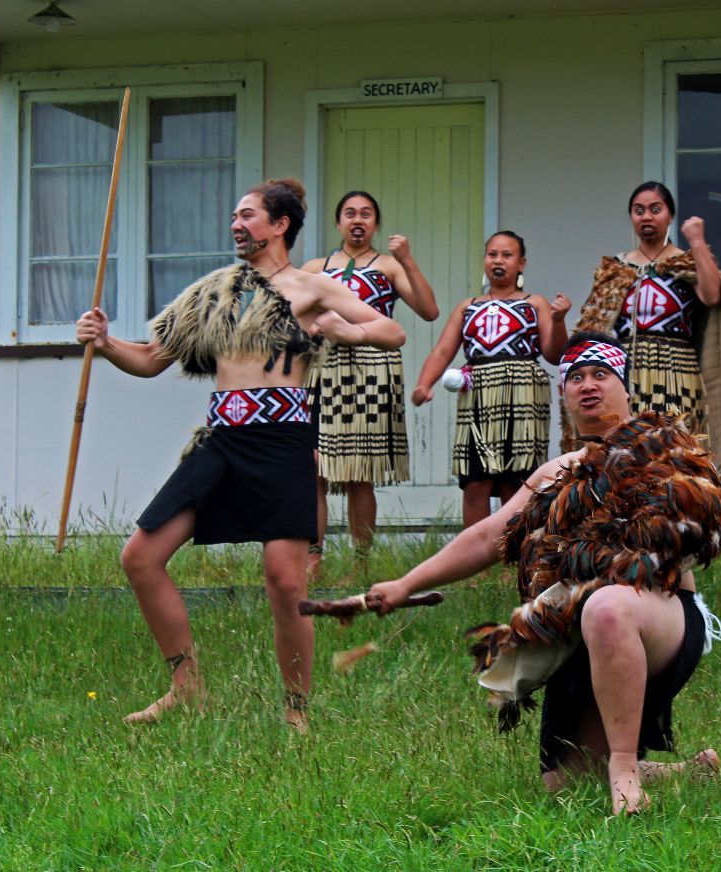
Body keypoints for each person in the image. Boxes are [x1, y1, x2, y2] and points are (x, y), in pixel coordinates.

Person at [75, 178, 406, 731]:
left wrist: (337, 328)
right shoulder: (216, 292)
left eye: (248, 215)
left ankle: (296, 711)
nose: (237, 223)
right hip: (222, 441)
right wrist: (106, 342)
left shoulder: (311, 286)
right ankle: (187, 686)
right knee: (140, 556)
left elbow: (391, 331)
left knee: (285, 582)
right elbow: (152, 358)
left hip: (283, 443)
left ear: (280, 225)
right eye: (234, 215)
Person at [368, 333, 721, 815]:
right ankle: (681, 771)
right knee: (563, 782)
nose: (587, 385)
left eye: (600, 375)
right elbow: (487, 537)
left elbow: (701, 533)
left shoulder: (663, 450)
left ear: (625, 388)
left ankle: (626, 770)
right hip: (579, 631)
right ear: (563, 396)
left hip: (659, 619)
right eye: (575, 377)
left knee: (607, 604)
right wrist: (405, 584)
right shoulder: (556, 474)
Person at [571, 181, 721, 472]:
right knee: (627, 453)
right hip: (627, 373)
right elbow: (596, 323)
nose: (647, 217)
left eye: (656, 209)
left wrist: (698, 242)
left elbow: (712, 295)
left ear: (670, 216)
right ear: (631, 217)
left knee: (678, 455)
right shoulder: (616, 268)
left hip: (680, 372)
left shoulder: (687, 261)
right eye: (639, 211)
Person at [301, 191, 439, 557]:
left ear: (375, 224)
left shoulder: (388, 266)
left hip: (372, 370)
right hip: (323, 371)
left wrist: (407, 261)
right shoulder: (317, 267)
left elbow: (428, 310)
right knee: (312, 467)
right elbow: (287, 311)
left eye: (365, 214)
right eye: (349, 213)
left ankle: (361, 563)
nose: (357, 220)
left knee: (358, 472)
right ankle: (313, 557)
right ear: (338, 222)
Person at [412, 231, 570, 527]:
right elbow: (443, 350)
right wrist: (424, 383)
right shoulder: (468, 306)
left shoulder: (534, 303)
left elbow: (554, 353)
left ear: (521, 263)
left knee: (516, 482)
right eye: (492, 254)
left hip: (522, 394)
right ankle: (473, 563)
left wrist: (559, 321)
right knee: (475, 482)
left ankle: (512, 561)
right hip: (477, 396)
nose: (498, 261)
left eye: (507, 255)